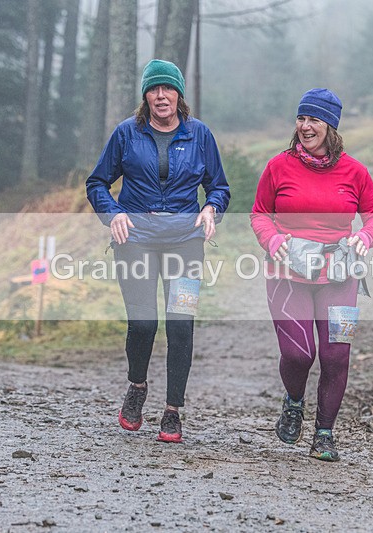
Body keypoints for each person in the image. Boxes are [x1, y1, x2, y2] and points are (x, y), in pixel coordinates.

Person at [86, 59, 230, 443]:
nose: (161, 96)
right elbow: (97, 183)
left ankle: (172, 410)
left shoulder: (200, 135)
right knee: (144, 322)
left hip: (185, 241)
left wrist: (211, 208)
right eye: (154, 89)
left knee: (180, 323)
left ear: (179, 94)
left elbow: (219, 186)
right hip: (136, 239)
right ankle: (137, 386)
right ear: (145, 95)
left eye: (168, 89)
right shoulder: (126, 134)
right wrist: (113, 213)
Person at [250, 88, 373, 461]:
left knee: (336, 355)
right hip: (287, 271)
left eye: (314, 119)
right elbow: (260, 213)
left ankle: (324, 434)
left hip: (340, 274)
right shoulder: (278, 166)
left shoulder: (355, 171)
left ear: (330, 126)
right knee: (298, 355)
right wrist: (271, 239)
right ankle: (294, 400)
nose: (306, 126)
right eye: (301, 118)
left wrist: (365, 236)